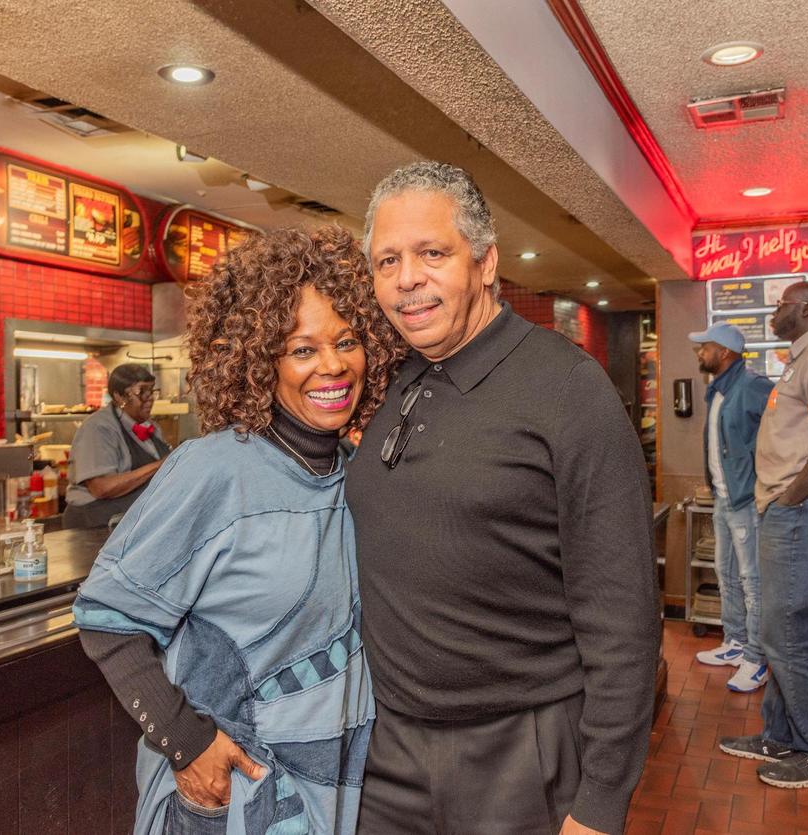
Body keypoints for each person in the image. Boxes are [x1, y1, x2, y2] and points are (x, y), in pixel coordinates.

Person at [346, 161, 659, 835]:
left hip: (522, 755)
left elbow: (623, 617)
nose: (406, 279)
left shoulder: (568, 388)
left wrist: (601, 799)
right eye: (387, 260)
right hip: (388, 750)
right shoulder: (397, 381)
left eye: (433, 253)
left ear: (486, 263)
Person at [72, 226, 403, 834]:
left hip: (334, 793)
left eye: (347, 340)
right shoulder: (214, 468)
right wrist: (185, 744)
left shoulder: (355, 472)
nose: (332, 365)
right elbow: (106, 617)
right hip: (235, 799)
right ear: (258, 360)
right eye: (301, 349)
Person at [719, 280, 808, 789]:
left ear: (806, 309)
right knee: (784, 632)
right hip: (796, 511)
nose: (776, 312)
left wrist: (791, 497)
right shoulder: (805, 355)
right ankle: (779, 736)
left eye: (781, 305)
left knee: (784, 632)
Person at [688, 323, 773, 692]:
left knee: (753, 582)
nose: (698, 353)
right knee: (726, 574)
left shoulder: (754, 386)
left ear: (724, 352)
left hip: (746, 501)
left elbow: (783, 433)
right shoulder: (719, 389)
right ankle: (735, 642)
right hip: (724, 499)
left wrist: (763, 486)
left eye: (703, 346)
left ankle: (757, 658)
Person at [62, 363, 170, 529]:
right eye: (142, 391)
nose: (150, 397)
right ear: (119, 397)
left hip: (128, 521)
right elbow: (102, 488)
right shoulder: (99, 427)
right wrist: (161, 464)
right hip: (95, 523)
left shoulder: (152, 428)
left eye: (152, 390)